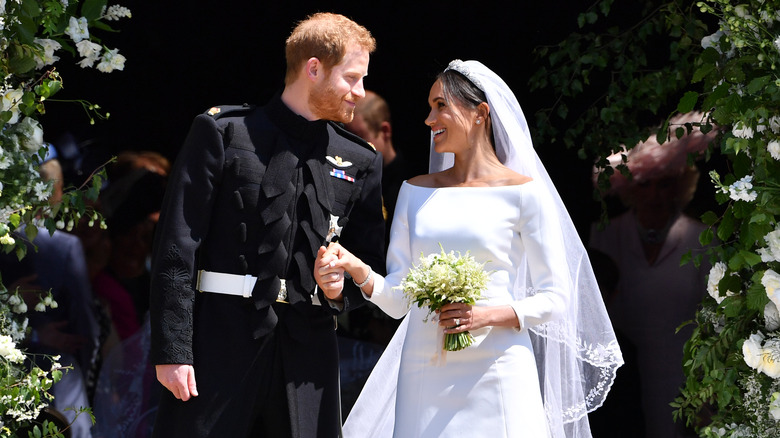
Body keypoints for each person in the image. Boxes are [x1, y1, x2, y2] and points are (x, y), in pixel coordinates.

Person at [314, 60, 623, 438]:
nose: (429, 119)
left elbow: (556, 298)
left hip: (500, 368)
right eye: (430, 107)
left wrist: (485, 315)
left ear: (480, 113)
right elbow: (398, 300)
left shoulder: (525, 195)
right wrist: (358, 269)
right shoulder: (414, 192)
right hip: (423, 371)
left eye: (441, 105)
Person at [149, 12, 385, 438]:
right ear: (314, 68)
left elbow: (370, 260)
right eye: (351, 78)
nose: (360, 92)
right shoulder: (223, 131)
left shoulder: (362, 160)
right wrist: (172, 348)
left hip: (309, 354)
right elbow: (177, 247)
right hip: (218, 341)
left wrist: (339, 288)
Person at [589, 112, 715, 438]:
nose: (656, 195)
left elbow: (716, 322)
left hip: (685, 380)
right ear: (629, 186)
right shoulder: (603, 236)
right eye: (645, 184)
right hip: (620, 382)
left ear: (680, 184)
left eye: (666, 183)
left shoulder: (704, 239)